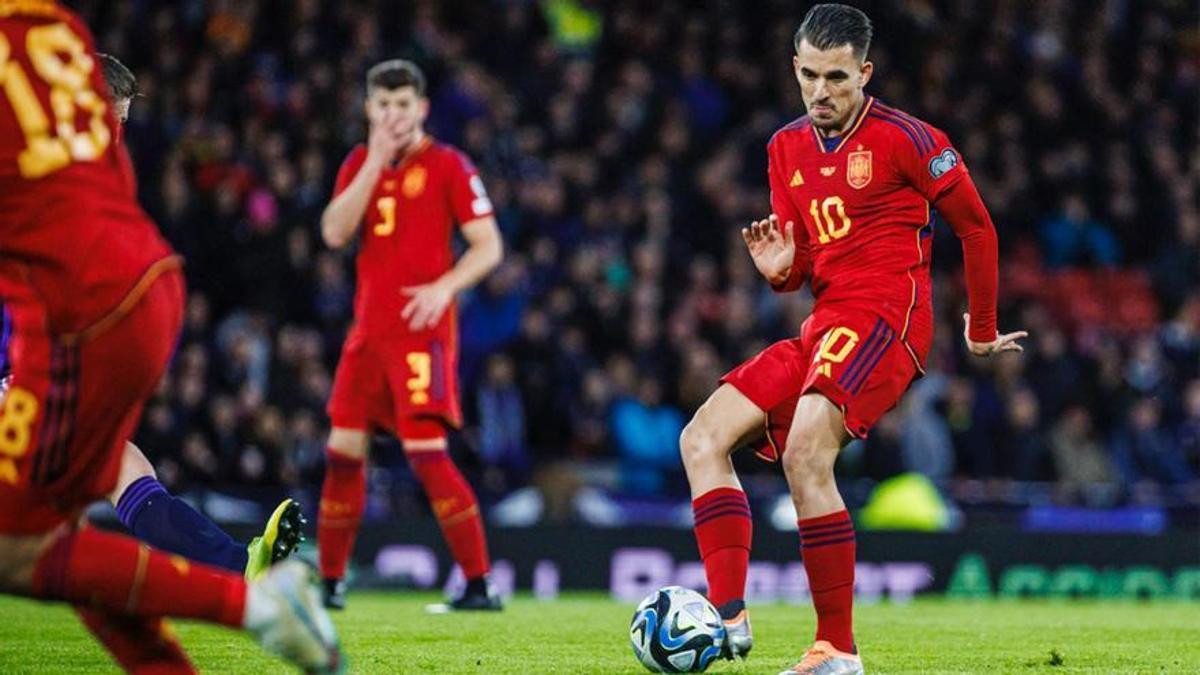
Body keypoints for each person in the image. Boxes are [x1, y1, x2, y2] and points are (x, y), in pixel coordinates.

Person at [677, 5, 1027, 674]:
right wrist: (783, 273)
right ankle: (727, 620)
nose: (820, 92)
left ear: (864, 72)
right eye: (808, 75)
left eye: (836, 77)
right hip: (826, 321)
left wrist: (980, 330)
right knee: (701, 437)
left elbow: (978, 229)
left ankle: (837, 649)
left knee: (807, 449)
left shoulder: (909, 139)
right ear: (795, 70)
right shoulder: (784, 147)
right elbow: (802, 261)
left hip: (887, 318)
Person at [0, 3, 340, 671]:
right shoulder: (54, 40)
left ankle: (256, 602)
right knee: (90, 499)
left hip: (81, 307)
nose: (114, 137)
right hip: (135, 290)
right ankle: (236, 576)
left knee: (22, 544)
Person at [317, 59, 504, 611]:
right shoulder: (359, 163)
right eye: (383, 105)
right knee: (341, 453)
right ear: (368, 110)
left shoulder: (448, 164)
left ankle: (478, 584)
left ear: (421, 108)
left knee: (426, 453)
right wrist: (374, 160)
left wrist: (445, 287)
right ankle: (330, 583)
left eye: (403, 105)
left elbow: (488, 245)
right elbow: (333, 232)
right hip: (367, 337)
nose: (393, 115)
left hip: (421, 336)